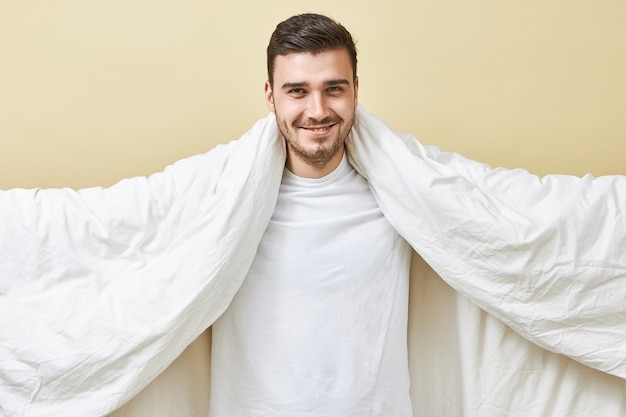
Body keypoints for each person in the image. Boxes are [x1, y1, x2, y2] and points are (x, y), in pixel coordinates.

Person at [209, 13, 414, 417]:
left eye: (333, 89)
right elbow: (126, 224)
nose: (317, 111)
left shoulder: (404, 187)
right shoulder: (222, 192)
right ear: (270, 96)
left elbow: (491, 210)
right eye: (297, 91)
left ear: (356, 89)